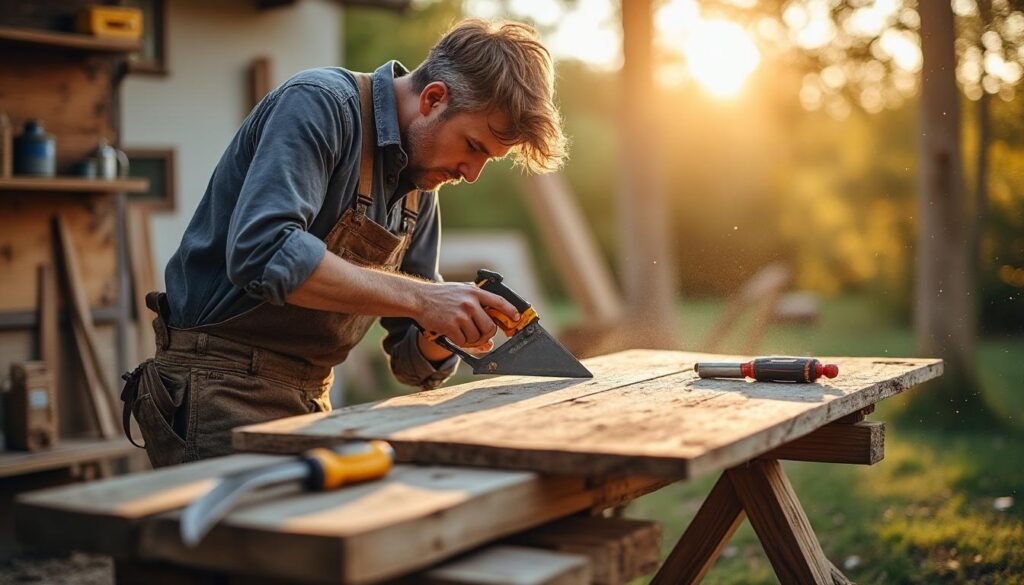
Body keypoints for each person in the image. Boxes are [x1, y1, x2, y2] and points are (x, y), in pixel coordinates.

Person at [120, 18, 567, 467]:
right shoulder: (322, 105)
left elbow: (410, 362)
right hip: (218, 386)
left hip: (314, 400)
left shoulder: (420, 187)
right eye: (473, 146)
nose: (471, 173)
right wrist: (424, 297)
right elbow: (264, 252)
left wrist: (448, 329)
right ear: (433, 99)